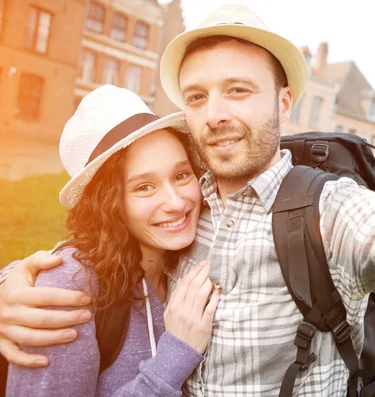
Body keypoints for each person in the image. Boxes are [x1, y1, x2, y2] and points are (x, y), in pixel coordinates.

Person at [1, 2, 375, 397]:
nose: (217, 114)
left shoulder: (327, 210)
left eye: (238, 90)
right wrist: (11, 286)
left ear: (284, 104)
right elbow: (103, 251)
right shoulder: (192, 205)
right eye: (198, 96)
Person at [4, 85, 220, 396]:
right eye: (144, 187)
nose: (176, 202)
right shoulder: (68, 289)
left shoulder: (196, 251)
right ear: (108, 204)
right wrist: (176, 354)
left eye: (181, 175)